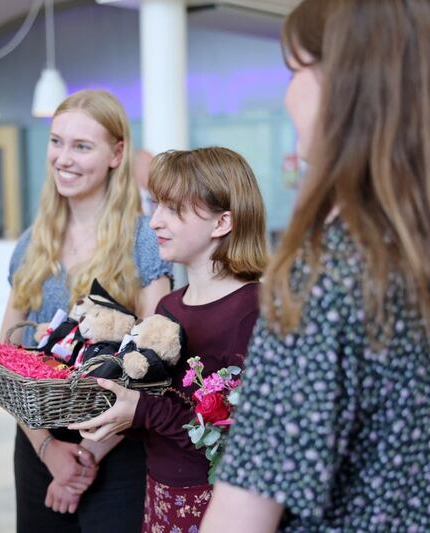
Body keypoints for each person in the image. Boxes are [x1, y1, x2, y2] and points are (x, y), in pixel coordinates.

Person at [200, 1, 430, 531]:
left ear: (343, 84)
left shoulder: (326, 278)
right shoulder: (405, 254)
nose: (286, 94)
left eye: (295, 70)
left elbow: (245, 512)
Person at [0, 89, 173, 532]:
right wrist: (47, 450)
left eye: (82, 146)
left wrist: (85, 459)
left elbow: (156, 368)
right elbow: (7, 356)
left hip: (118, 446)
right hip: (38, 445)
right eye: (56, 141)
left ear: (117, 153)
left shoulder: (145, 241)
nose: (63, 158)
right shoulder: (32, 243)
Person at [70, 147, 268, 532]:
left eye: (173, 209)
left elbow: (238, 443)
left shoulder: (255, 311)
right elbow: (160, 408)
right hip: (159, 494)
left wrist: (140, 410)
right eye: (155, 205)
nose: (155, 221)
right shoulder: (169, 305)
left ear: (222, 221)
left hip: (217, 507)